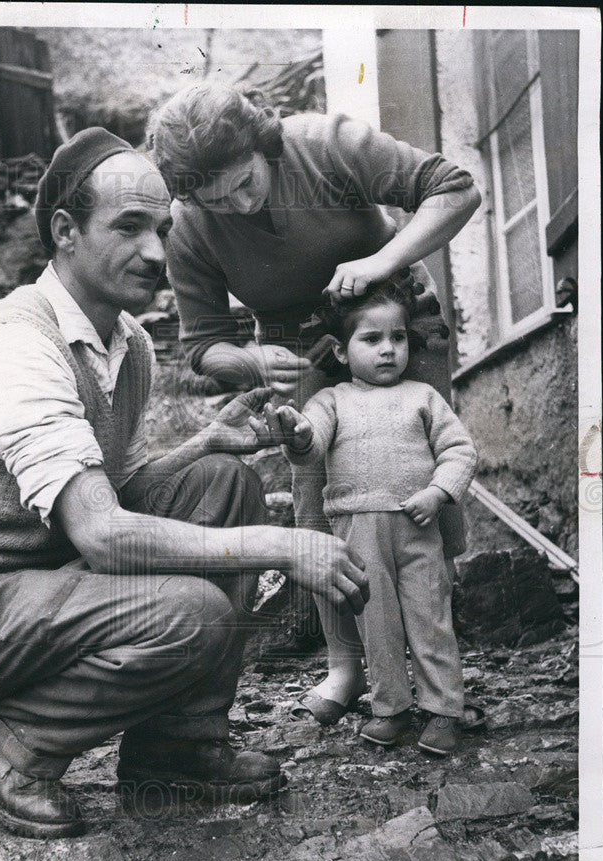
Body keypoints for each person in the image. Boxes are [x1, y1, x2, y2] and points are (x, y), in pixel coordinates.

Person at [0, 127, 370, 839]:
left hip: (59, 579)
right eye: (129, 227)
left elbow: (107, 491)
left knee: (223, 481)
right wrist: (283, 545)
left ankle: (177, 746)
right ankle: (19, 743)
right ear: (64, 230)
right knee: (193, 611)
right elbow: (101, 532)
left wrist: (202, 446)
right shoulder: (17, 348)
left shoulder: (129, 342)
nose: (156, 253)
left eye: (163, 228)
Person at [147, 83, 481, 717]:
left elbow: (457, 188)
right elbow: (202, 346)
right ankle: (347, 665)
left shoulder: (325, 146)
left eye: (246, 183)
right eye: (217, 200)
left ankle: (436, 657)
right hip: (297, 348)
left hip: (392, 321)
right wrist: (248, 361)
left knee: (419, 480)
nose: (239, 207)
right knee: (318, 503)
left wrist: (384, 259)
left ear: (262, 145)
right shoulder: (190, 226)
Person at [269, 279, 477, 756]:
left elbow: (459, 450)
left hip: (417, 527)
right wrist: (297, 434)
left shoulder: (424, 396)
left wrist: (438, 492)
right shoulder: (330, 401)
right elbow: (311, 446)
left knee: (430, 617)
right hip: (357, 531)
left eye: (398, 338)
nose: (388, 350)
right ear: (342, 352)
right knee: (376, 622)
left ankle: (444, 710)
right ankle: (391, 708)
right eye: (372, 339)